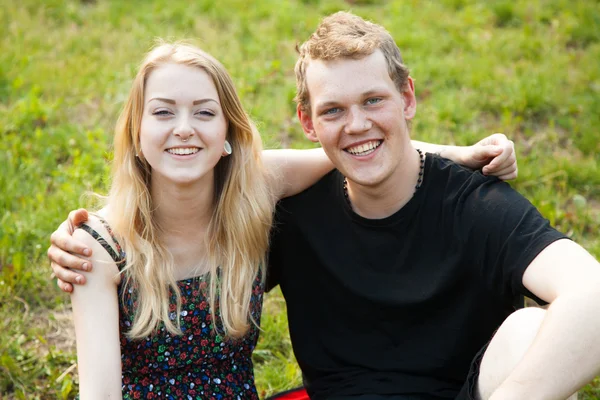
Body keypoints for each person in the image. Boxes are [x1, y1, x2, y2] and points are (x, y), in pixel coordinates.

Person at [48, 39, 518, 399]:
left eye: (204, 112)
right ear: (135, 133)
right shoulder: (99, 246)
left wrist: (462, 154)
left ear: (228, 133)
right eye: (163, 112)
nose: (184, 127)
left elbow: (348, 151)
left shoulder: (254, 188)